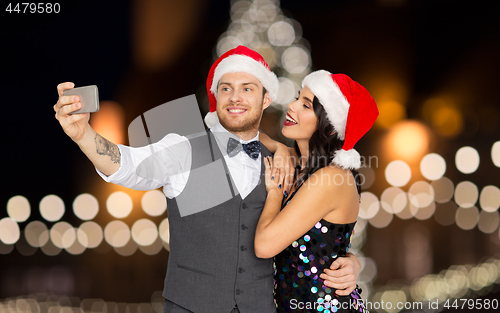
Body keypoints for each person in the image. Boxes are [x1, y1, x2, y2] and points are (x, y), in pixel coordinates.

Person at [54, 46, 360, 313]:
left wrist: (351, 262)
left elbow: (323, 230)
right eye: (226, 88)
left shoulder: (287, 163)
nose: (235, 97)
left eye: (247, 88)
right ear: (215, 96)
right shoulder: (185, 149)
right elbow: (129, 164)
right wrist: (84, 136)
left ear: (266, 99)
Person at [255, 70, 378, 312]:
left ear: (330, 127)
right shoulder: (300, 164)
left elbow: (264, 245)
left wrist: (276, 190)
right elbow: (241, 134)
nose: (291, 106)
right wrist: (279, 147)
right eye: (297, 98)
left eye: (305, 105)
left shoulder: (332, 177)